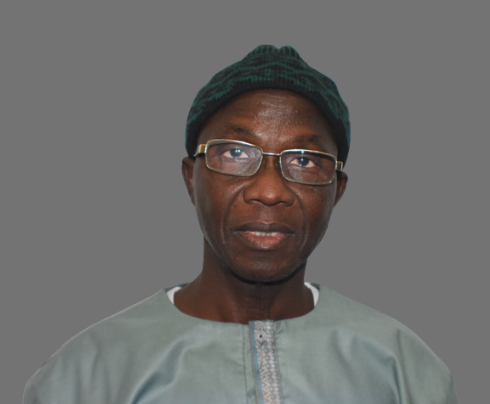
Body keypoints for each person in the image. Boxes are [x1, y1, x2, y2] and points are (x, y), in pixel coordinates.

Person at [23, 45, 458, 404]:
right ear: (191, 179)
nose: (269, 191)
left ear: (336, 190)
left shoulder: (404, 368)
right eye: (235, 153)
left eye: (304, 160)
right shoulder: (83, 376)